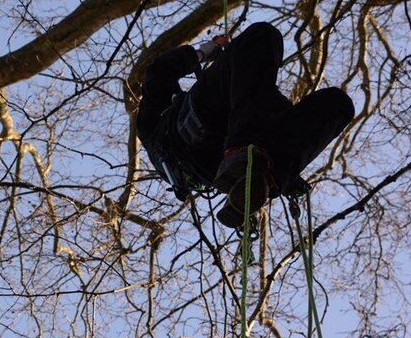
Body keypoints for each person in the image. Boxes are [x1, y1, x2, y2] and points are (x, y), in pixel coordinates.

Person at [135, 22, 355, 228]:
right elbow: (159, 71)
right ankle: (255, 161)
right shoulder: (151, 128)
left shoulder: (257, 103)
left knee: (338, 104)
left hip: (221, 160)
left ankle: (268, 177)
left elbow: (159, 72)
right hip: (198, 129)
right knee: (261, 36)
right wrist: (204, 52)